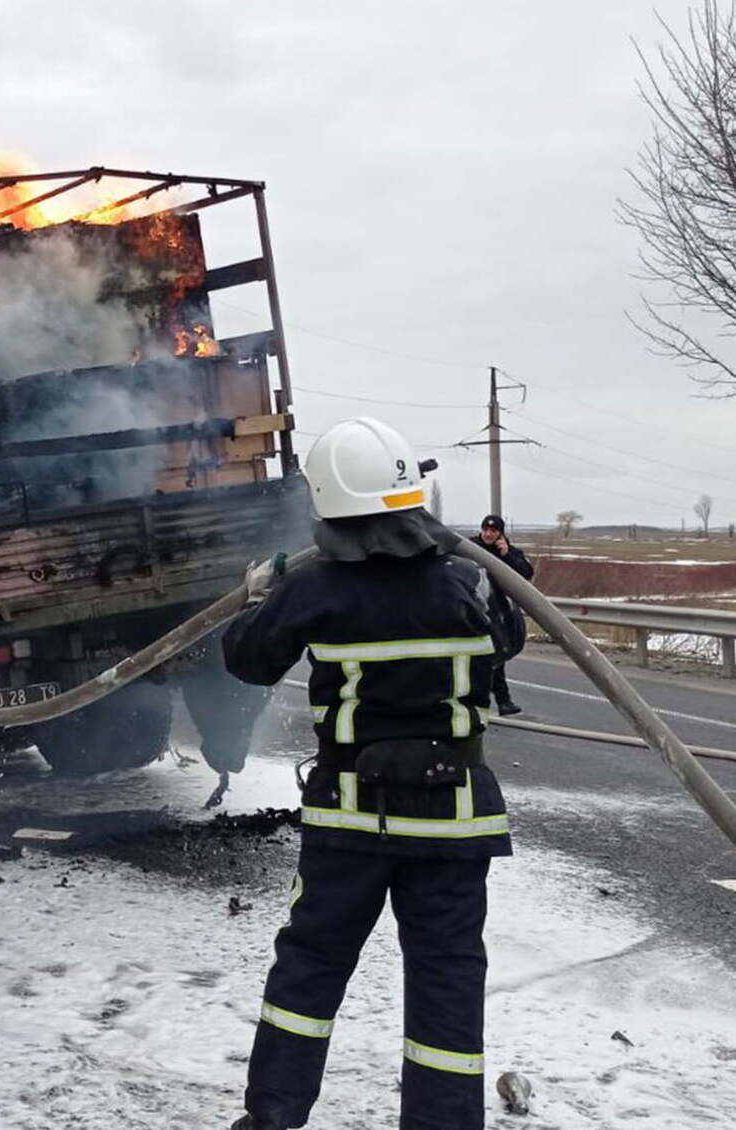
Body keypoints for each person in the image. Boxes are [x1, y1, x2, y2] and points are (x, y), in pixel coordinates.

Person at [221, 418, 512, 1130]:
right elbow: (507, 643)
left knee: (310, 969)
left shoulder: (313, 587)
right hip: (455, 820)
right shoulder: (469, 577)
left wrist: (258, 599)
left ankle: (273, 1118)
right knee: (446, 981)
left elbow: (248, 661)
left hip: (349, 820)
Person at [470, 514, 535, 716]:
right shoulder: (469, 548)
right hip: (472, 609)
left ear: (500, 533)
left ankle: (501, 701)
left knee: (496, 655)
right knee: (483, 657)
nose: (489, 534)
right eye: (486, 530)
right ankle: (498, 700)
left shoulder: (507, 551)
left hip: (497, 612)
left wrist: (507, 555)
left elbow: (525, 573)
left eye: (494, 531)